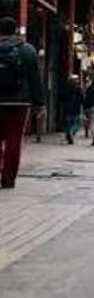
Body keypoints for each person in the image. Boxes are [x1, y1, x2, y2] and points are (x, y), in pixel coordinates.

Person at [0, 15, 44, 189]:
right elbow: (35, 79)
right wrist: (39, 103)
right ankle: (8, 178)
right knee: (14, 139)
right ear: (16, 30)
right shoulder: (28, 50)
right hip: (19, 102)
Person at [61, 74, 83, 145]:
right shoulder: (78, 89)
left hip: (67, 108)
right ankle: (71, 133)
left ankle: (69, 134)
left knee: (68, 123)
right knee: (75, 124)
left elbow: (62, 98)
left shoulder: (65, 88)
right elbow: (81, 99)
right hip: (75, 109)